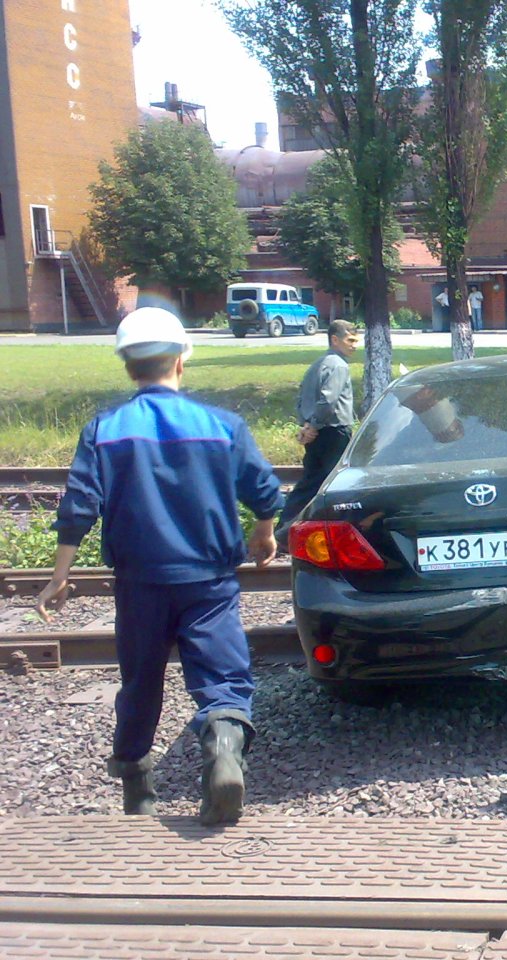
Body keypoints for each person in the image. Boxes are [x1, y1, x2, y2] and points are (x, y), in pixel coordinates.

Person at [35, 307, 282, 825]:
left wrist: (60, 575)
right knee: (222, 678)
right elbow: (263, 490)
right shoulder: (222, 425)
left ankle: (137, 786)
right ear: (183, 359)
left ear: (128, 366)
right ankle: (222, 743)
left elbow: (80, 504)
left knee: (140, 681)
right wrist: (263, 531)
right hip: (210, 582)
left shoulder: (104, 429)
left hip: (139, 583)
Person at [276, 319, 360, 535]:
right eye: (350, 340)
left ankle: (284, 529)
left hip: (316, 433)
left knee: (309, 484)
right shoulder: (339, 365)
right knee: (338, 484)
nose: (355, 345)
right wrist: (313, 425)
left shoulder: (318, 364)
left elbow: (302, 398)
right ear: (335, 339)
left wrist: (306, 425)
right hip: (334, 431)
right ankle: (338, 531)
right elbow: (328, 401)